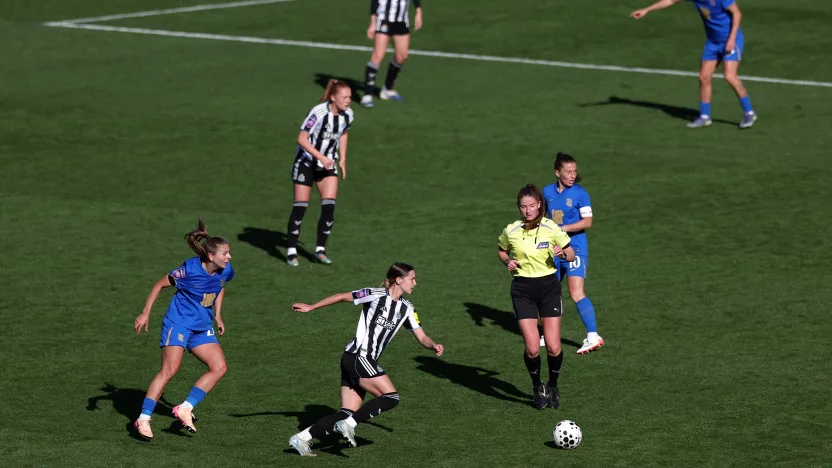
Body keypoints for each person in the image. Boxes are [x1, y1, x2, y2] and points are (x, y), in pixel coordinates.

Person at [287, 263, 444, 456]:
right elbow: (342, 296)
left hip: (356, 360)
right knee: (390, 397)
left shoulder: (407, 309)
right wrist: (311, 307)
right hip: (359, 357)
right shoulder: (373, 294)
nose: (415, 283)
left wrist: (433, 345)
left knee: (346, 413)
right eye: (412, 279)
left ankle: (301, 438)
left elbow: (422, 336)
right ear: (399, 280)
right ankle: (349, 424)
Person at [132, 219, 235, 439]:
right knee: (169, 370)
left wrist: (218, 313)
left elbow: (220, 286)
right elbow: (159, 284)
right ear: (211, 256)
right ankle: (143, 418)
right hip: (178, 323)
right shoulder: (188, 271)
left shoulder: (225, 270)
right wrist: (146, 312)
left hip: (201, 327)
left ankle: (185, 408)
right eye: (225, 253)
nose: (229, 257)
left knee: (219, 367)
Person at [497, 185, 576, 410]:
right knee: (532, 348)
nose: (527, 211)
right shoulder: (511, 230)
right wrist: (507, 261)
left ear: (539, 205)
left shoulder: (551, 228)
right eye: (523, 207)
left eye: (531, 206)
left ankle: (553, 385)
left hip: (549, 289)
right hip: (523, 290)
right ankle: (537, 387)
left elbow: (571, 253)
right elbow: (502, 250)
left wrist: (563, 253)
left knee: (553, 347)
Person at [630, 0, 757, 129]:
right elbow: (670, 0)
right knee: (704, 77)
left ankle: (749, 113)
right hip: (713, 42)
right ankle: (704, 117)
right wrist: (647, 10)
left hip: (731, 40)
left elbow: (737, 13)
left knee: (729, 76)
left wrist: (731, 39)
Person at [286, 80, 354, 266]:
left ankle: (320, 250)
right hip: (306, 163)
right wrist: (320, 157)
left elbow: (344, 133)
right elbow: (302, 138)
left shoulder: (348, 114)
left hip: (328, 165)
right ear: (333, 97)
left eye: (350, 97)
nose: (348, 101)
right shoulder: (318, 113)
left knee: (329, 206)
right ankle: (291, 250)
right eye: (344, 97)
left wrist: (343, 159)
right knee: (300, 207)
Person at [542, 153, 604, 355]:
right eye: (568, 172)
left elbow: (588, 222)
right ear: (557, 172)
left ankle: (593, 336)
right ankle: (549, 334)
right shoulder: (547, 192)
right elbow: (542, 218)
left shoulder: (580, 194)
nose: (572, 175)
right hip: (554, 250)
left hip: (575, 248)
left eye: (574, 171)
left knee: (576, 292)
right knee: (549, 292)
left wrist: (563, 229)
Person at [359, 0, 423, 108]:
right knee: (378, 55)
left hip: (401, 20)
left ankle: (387, 89)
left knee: (402, 56)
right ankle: (367, 94)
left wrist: (418, 11)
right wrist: (373, 22)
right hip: (383, 19)